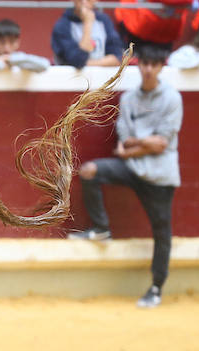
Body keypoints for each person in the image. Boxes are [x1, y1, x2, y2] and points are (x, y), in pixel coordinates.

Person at [67, 43, 181, 309]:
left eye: (154, 65)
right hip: (133, 168)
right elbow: (124, 142)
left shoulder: (172, 98)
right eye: (145, 64)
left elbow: (161, 144)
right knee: (89, 171)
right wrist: (144, 144)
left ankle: (156, 287)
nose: (149, 69)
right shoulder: (130, 98)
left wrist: (134, 147)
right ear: (139, 65)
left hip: (160, 176)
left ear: (161, 67)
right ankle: (101, 229)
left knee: (162, 232)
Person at [51, 0, 125, 69]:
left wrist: (87, 64)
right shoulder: (62, 26)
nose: (84, 2)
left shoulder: (104, 21)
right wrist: (88, 24)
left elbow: (117, 57)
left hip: (101, 79)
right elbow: (77, 60)